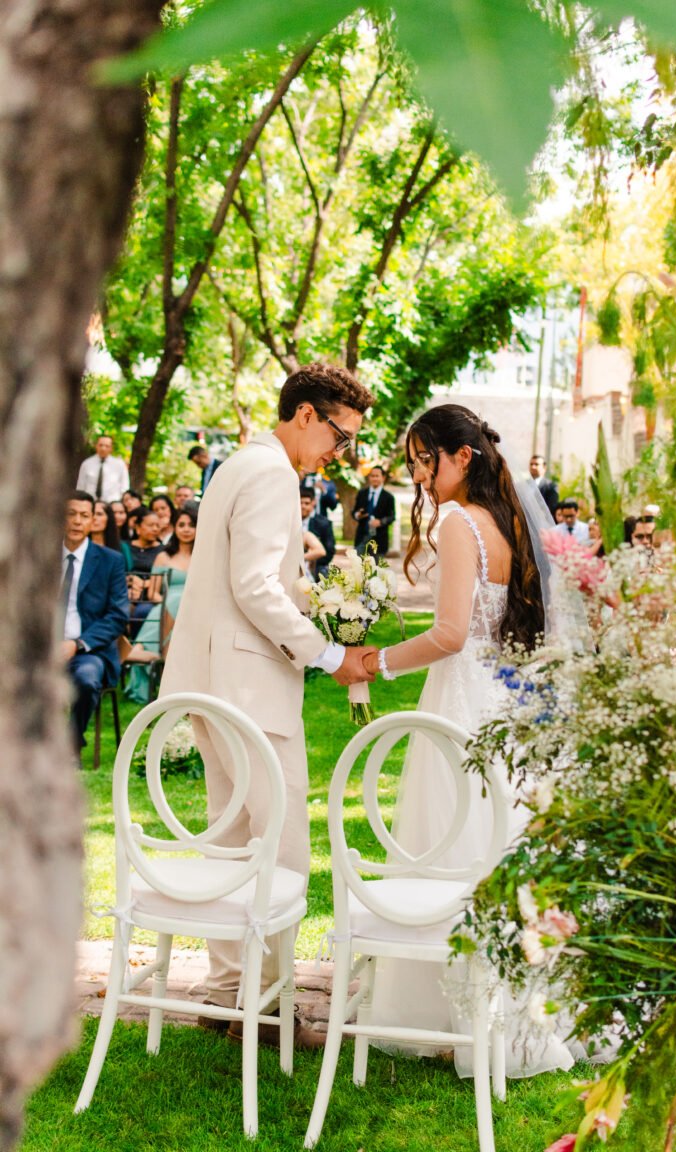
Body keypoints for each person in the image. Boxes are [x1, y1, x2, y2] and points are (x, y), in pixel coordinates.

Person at [360, 403, 583, 1079]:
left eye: (425, 461)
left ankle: (460, 1012)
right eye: (412, 464)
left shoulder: (459, 522)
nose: (418, 476)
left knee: (455, 842)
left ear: (463, 456)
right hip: (504, 698)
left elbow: (451, 634)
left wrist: (376, 662)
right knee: (498, 842)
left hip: (461, 702)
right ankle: (518, 1004)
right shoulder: (506, 519)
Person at [160, 362, 377, 1045]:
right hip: (248, 688)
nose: (341, 451)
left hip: (211, 679)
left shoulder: (237, 465)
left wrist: (318, 599)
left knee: (229, 842)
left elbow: (249, 580)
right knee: (280, 846)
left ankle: (228, 994)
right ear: (307, 414)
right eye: (340, 435)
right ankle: (271, 1008)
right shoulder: (272, 473)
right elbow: (254, 585)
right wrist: (328, 653)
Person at [60, 492, 129, 762]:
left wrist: (76, 644)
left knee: (86, 680)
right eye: (71, 514)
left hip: (89, 651)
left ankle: (70, 746)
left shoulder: (110, 560)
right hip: (42, 648)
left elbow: (117, 615)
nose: (77, 521)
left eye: (84, 515)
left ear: (92, 521)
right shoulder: (41, 555)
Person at [124, 505, 197, 704]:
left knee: (181, 600)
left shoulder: (202, 556)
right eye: (181, 525)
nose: (186, 529)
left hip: (194, 609)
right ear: (175, 528)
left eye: (191, 525)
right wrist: (166, 602)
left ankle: (142, 647)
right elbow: (153, 593)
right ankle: (162, 659)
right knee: (174, 600)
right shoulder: (163, 556)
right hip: (165, 605)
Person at [122, 507, 165, 633]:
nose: (155, 529)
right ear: (138, 528)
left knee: (142, 612)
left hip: (150, 595)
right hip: (127, 592)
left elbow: (165, 575)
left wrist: (146, 583)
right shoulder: (124, 547)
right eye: (151, 525)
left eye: (158, 526)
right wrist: (130, 580)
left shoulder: (163, 551)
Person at [352, 465, 396, 555]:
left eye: (377, 476)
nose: (374, 478)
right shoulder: (361, 493)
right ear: (369, 477)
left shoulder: (388, 497)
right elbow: (354, 512)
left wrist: (380, 522)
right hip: (361, 538)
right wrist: (357, 515)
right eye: (372, 476)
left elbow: (392, 517)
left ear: (383, 477)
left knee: (377, 564)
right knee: (358, 563)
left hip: (379, 540)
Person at [76, 435, 130, 503]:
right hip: (90, 503)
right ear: (96, 446)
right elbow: (80, 487)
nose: (103, 448)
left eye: (107, 446)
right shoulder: (86, 464)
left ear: (111, 448)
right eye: (100, 445)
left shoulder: (120, 465)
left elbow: (125, 487)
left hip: (112, 503)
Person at [299, 486, 335, 577]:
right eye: (300, 503)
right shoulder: (290, 523)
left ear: (313, 503)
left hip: (316, 567)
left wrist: (310, 560)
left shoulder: (323, 523)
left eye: (306, 503)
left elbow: (329, 552)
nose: (303, 506)